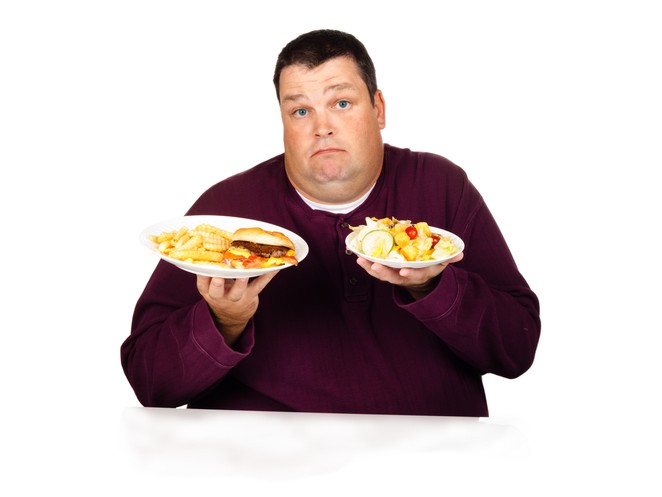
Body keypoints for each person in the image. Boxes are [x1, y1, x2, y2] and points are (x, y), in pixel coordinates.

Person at [121, 29, 541, 416]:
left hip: (430, 454)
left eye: (341, 104)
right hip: (266, 458)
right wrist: (224, 320)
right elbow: (150, 382)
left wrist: (431, 286)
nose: (322, 128)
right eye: (301, 110)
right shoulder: (225, 212)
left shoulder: (441, 186)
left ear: (378, 109)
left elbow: (516, 350)